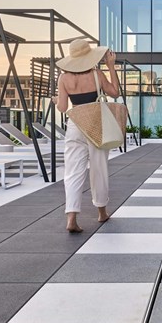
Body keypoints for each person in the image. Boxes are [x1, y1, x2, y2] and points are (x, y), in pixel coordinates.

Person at [55, 38, 121, 233]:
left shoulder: (63, 78)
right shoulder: (95, 74)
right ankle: (101, 212)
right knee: (98, 169)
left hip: (75, 124)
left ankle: (71, 217)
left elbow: (62, 107)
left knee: (73, 171)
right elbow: (115, 93)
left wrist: (55, 100)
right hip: (96, 124)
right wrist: (110, 66)